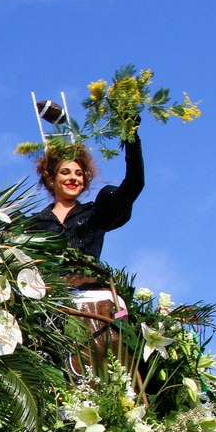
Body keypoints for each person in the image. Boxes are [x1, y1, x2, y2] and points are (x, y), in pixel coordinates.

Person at [28, 117, 144, 369]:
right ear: (51, 179)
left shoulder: (96, 213)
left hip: (95, 306)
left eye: (79, 173)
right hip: (50, 310)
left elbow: (134, 184)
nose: (73, 178)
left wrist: (131, 135)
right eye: (66, 172)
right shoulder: (31, 225)